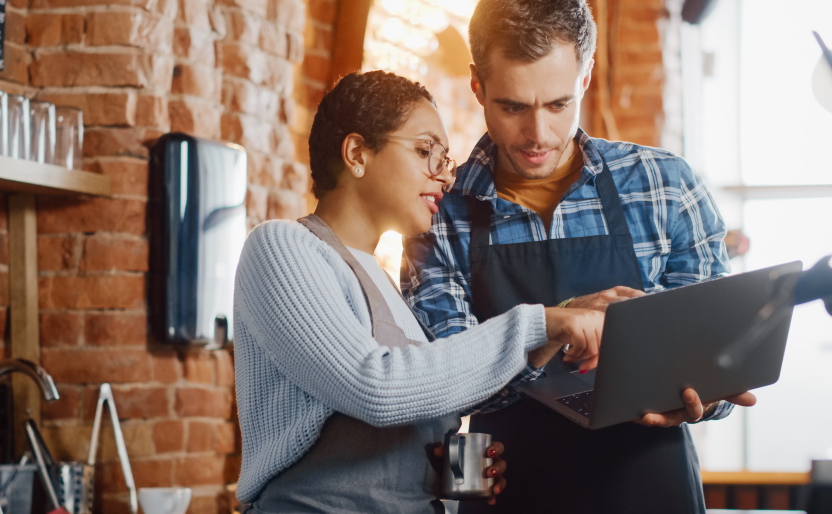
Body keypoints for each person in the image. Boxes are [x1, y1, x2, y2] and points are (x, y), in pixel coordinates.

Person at [402, 0, 757, 513]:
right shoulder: (438, 213)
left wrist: (704, 399)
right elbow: (443, 384)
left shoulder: (665, 185)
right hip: (512, 491)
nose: (538, 133)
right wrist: (557, 323)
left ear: (586, 77)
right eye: (513, 107)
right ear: (477, 86)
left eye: (558, 104)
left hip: (651, 488)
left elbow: (715, 367)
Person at [234, 70, 614, 513]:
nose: (445, 177)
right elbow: (375, 387)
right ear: (357, 153)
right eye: (424, 151)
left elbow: (389, 430)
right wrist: (539, 323)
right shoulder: (282, 247)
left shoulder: (389, 288)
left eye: (445, 158)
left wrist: (448, 474)